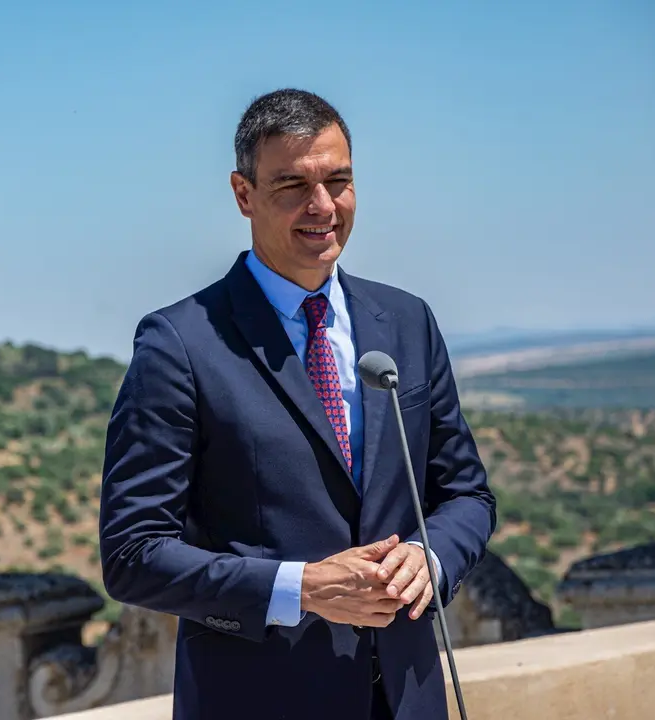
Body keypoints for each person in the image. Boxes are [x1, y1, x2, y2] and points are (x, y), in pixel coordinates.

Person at [98, 88, 497, 720]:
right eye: (292, 186)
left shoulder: (407, 321)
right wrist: (303, 588)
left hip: (409, 699)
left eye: (338, 181)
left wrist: (430, 557)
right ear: (242, 194)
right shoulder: (180, 343)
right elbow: (133, 553)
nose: (322, 206)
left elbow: (467, 495)